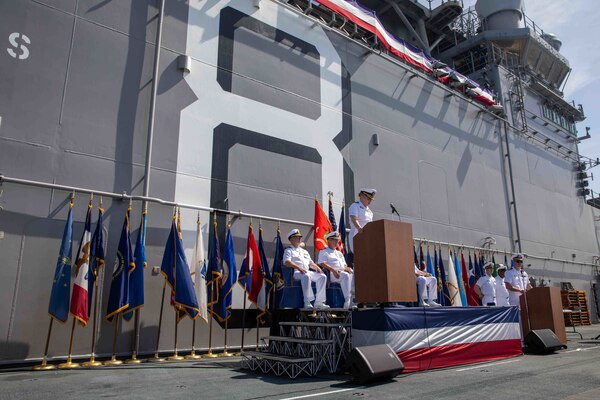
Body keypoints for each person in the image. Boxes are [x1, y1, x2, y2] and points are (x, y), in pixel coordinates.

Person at [282, 228, 329, 309]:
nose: (300, 238)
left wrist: (317, 268)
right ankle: (307, 302)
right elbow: (286, 262)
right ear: (291, 239)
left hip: (305, 271)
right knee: (306, 275)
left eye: (300, 237)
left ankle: (319, 302)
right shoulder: (288, 251)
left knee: (322, 276)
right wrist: (299, 267)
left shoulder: (304, 252)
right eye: (297, 237)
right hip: (296, 272)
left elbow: (311, 263)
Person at [318, 231, 355, 308]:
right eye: (334, 240)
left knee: (353, 273)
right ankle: (347, 301)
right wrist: (333, 270)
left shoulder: (339, 253)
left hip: (341, 272)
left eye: (337, 240)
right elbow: (322, 263)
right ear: (329, 240)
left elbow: (344, 266)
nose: (336, 242)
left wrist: (348, 268)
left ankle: (353, 299)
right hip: (331, 274)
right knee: (345, 275)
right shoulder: (324, 251)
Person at [348, 188, 376, 253]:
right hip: (357, 234)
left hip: (367, 237)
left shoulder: (370, 212)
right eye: (368, 199)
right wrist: (359, 228)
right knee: (359, 255)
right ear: (362, 196)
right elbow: (353, 218)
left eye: (371, 199)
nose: (370, 201)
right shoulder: (355, 206)